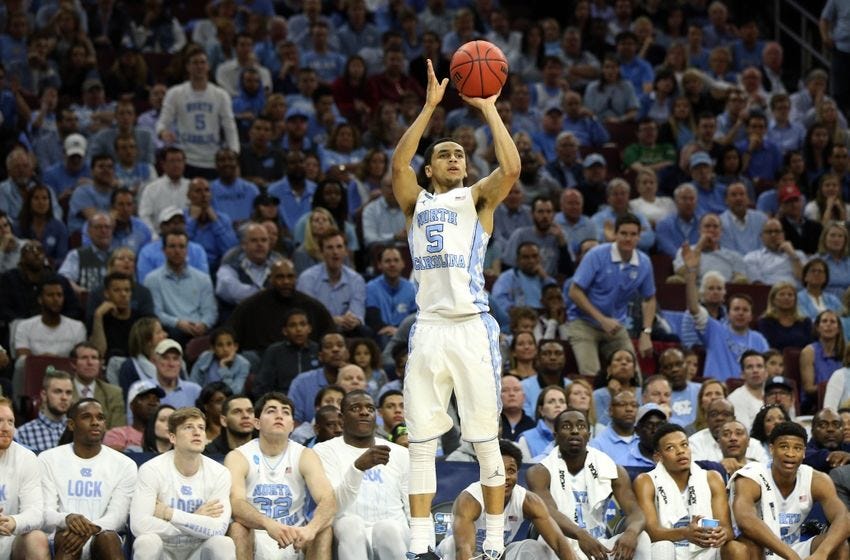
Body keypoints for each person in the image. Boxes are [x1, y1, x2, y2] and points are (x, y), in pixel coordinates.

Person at [390, 60, 521, 558]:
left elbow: (511, 168)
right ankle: (421, 546)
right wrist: (428, 109)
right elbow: (397, 166)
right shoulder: (414, 203)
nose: (451, 157)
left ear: (466, 168)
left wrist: (488, 108)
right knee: (421, 441)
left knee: (485, 439)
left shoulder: (478, 199)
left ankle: (493, 543)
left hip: (470, 328)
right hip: (428, 329)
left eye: (458, 155)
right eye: (442, 153)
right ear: (430, 168)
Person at [527, 409, 651, 560]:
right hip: (561, 543)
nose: (574, 431)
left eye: (581, 426)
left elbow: (636, 513)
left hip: (600, 545)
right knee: (545, 541)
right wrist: (580, 535)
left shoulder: (611, 468)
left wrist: (631, 533)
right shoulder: (539, 472)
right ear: (555, 436)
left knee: (641, 537)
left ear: (589, 435)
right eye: (566, 427)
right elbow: (548, 513)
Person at [225, 392, 335, 559]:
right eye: (271, 411)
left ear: (292, 425)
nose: (279, 415)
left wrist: (310, 530)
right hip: (257, 535)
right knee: (237, 528)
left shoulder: (305, 454)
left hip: (297, 536)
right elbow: (236, 503)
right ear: (257, 423)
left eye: (285, 412)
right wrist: (268, 524)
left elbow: (328, 499)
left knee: (324, 529)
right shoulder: (238, 457)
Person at [437, 439, 574, 559]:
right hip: (458, 555)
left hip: (496, 555)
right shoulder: (470, 500)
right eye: (498, 470)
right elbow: (463, 550)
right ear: (485, 472)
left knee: (533, 547)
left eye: (511, 471)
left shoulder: (528, 501)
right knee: (451, 544)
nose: (505, 477)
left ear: (517, 473)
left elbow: (558, 542)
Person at [730, 421, 850, 558]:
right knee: (738, 548)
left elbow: (843, 517)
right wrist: (791, 556)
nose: (790, 454)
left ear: (804, 452)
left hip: (794, 547)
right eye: (784, 447)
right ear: (771, 449)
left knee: (840, 545)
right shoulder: (752, 476)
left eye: (797, 448)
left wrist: (821, 554)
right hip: (759, 548)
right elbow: (745, 519)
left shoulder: (817, 480)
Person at [313, 389, 410, 559]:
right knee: (350, 524)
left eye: (370, 409)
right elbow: (333, 507)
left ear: (376, 418)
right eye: (356, 408)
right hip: (346, 538)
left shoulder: (400, 453)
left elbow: (414, 508)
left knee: (386, 528)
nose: (364, 412)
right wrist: (357, 468)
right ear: (341, 419)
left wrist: (424, 547)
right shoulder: (324, 451)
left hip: (396, 535)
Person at [130, 406, 236, 559]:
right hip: (164, 549)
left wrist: (169, 514)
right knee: (146, 541)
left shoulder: (220, 473)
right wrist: (195, 520)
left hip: (198, 550)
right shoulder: (151, 469)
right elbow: (139, 525)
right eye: (188, 427)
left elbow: (218, 529)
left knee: (223, 543)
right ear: (173, 438)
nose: (197, 432)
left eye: (201, 427)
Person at [39, 399, 138, 560]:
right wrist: (68, 518)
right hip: (61, 535)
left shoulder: (125, 465)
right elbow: (45, 512)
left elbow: (117, 517)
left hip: (103, 534)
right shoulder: (48, 459)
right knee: (67, 538)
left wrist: (90, 529)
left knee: (108, 538)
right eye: (86, 417)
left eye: (100, 418)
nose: (95, 423)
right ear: (71, 424)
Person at [634, 423, 744, 560]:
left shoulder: (712, 478)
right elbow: (651, 532)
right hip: (668, 549)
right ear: (658, 457)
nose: (680, 451)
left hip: (706, 548)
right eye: (670, 448)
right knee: (663, 547)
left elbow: (727, 529)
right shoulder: (646, 481)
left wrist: (721, 534)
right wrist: (685, 533)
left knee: (736, 548)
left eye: (684, 445)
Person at [683, 242, 769, 381]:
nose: (740, 313)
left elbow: (767, 370)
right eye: (736, 309)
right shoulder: (714, 329)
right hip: (717, 391)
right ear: (728, 314)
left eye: (745, 310)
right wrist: (691, 272)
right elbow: (694, 308)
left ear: (751, 316)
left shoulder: (759, 340)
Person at [156, 47, 240, 178]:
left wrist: (234, 152)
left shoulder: (221, 94)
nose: (199, 66)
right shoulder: (175, 93)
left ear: (208, 66)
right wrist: (162, 132)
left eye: (202, 62)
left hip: (211, 158)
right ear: (188, 67)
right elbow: (162, 122)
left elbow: (229, 125)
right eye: (195, 63)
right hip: (185, 159)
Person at [0, 396, 50, 558]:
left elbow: (35, 512)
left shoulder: (26, 458)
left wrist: (13, 522)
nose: (6, 428)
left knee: (37, 538)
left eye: (10, 422)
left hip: (9, 536)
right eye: (0, 421)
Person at [14, 369, 73, 454]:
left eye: (68, 392)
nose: (64, 397)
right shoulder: (23, 434)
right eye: (58, 391)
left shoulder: (78, 431)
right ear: (44, 395)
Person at [68, 342, 125, 429]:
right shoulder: (63, 389)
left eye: (94, 358)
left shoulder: (114, 393)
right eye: (84, 358)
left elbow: (117, 431)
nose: (90, 362)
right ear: (73, 364)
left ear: (100, 364)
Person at [104, 380, 163, 453]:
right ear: (132, 405)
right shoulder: (117, 434)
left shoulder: (164, 436)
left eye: (156, 399)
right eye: (144, 398)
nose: (152, 403)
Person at [189, 327, 250, 395]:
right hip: (204, 400)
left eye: (229, 344)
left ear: (236, 346)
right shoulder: (205, 357)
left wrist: (223, 368)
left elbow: (235, 392)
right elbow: (193, 383)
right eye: (220, 345)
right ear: (213, 348)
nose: (225, 349)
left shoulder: (243, 364)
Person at [726, 350, 768, 431]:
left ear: (766, 372)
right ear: (742, 374)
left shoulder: (774, 393)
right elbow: (744, 431)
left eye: (759, 366)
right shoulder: (735, 398)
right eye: (749, 367)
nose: (755, 370)